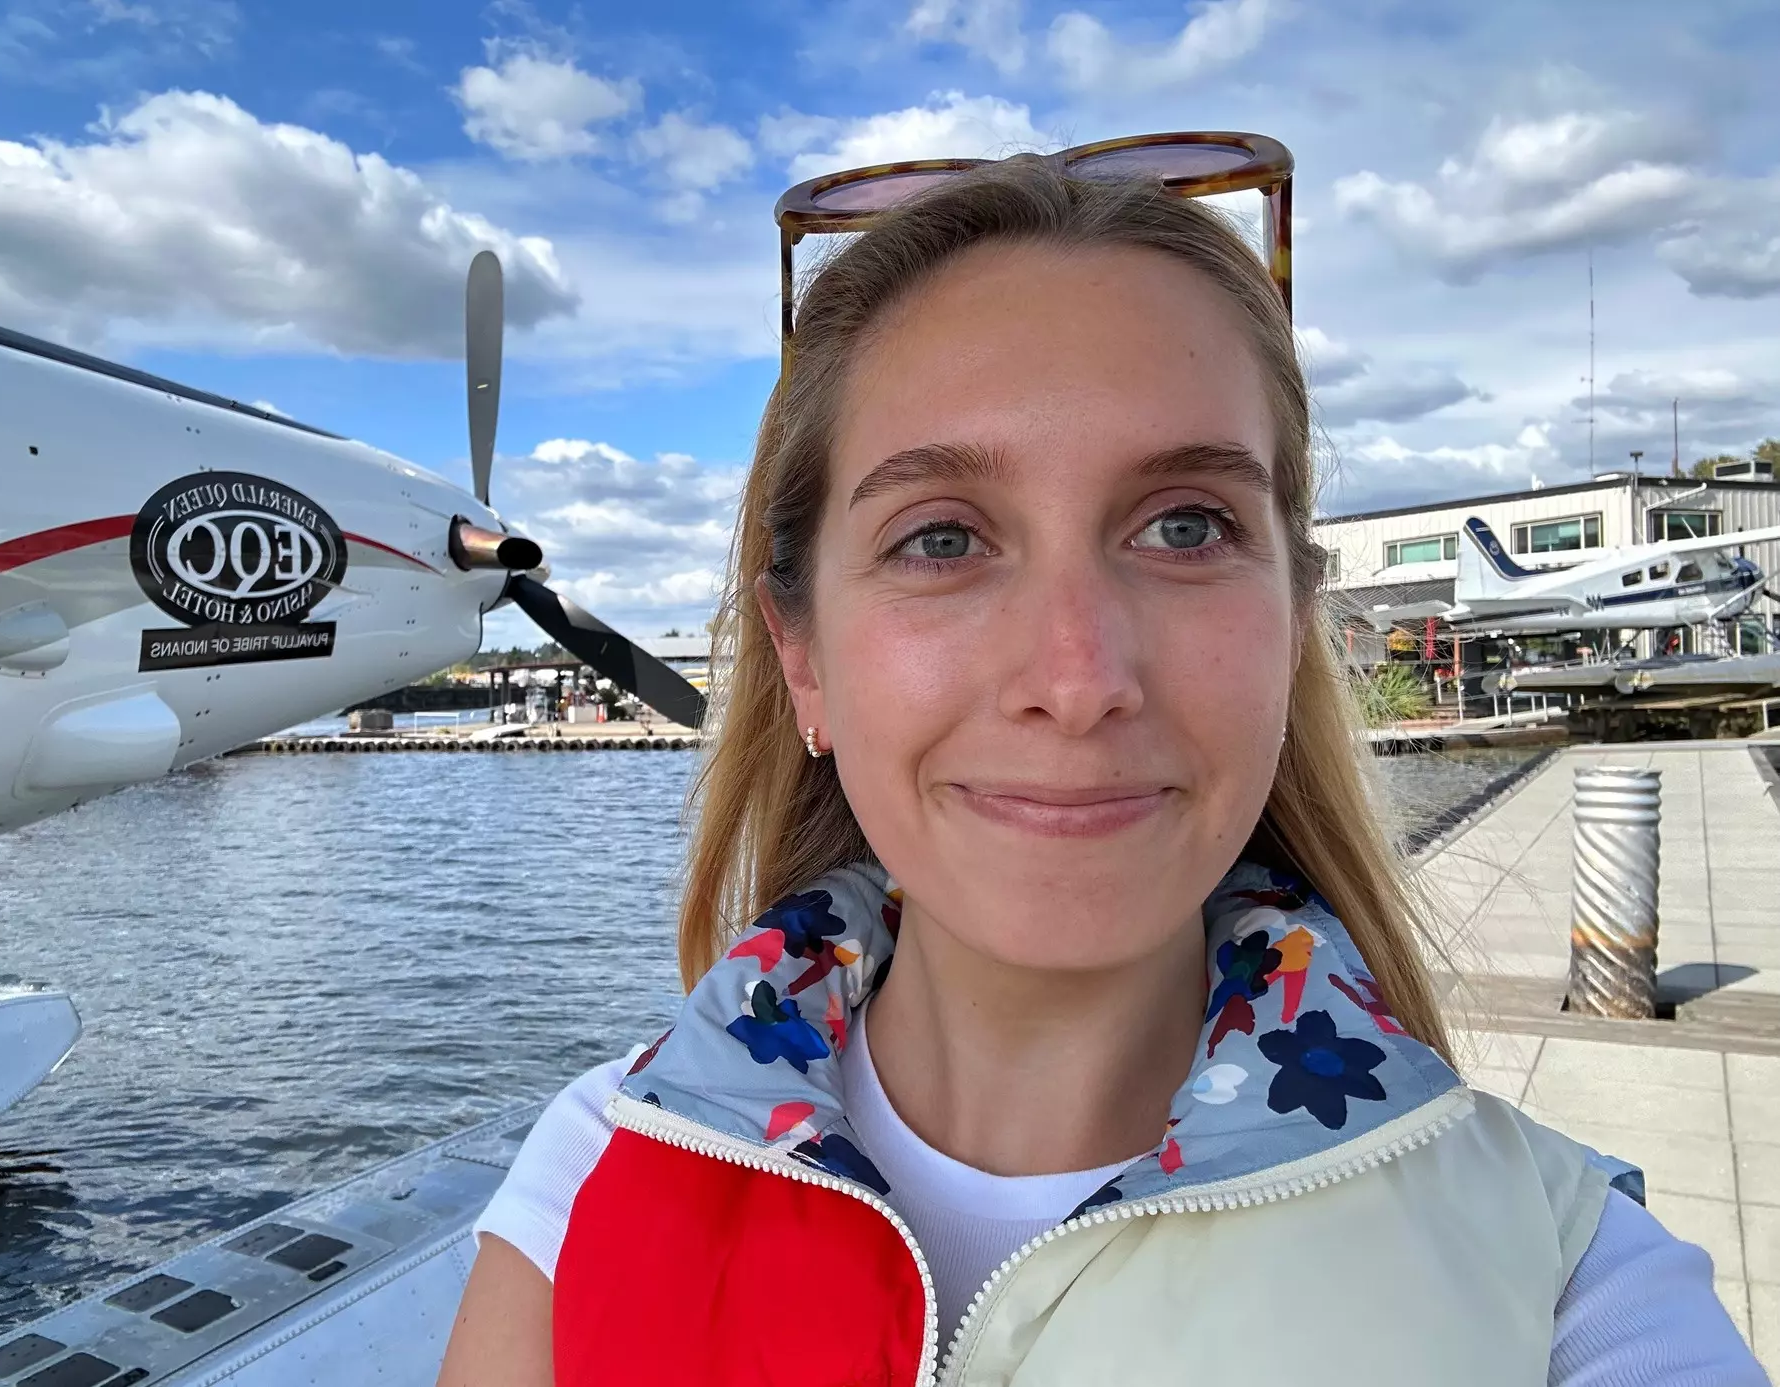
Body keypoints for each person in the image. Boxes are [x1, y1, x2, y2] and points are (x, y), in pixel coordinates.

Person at [438, 161, 1765, 1385]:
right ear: (803, 658)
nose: (1075, 677)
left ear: (1290, 621)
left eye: (1184, 525)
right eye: (941, 537)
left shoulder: (1562, 1279)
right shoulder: (593, 1173)